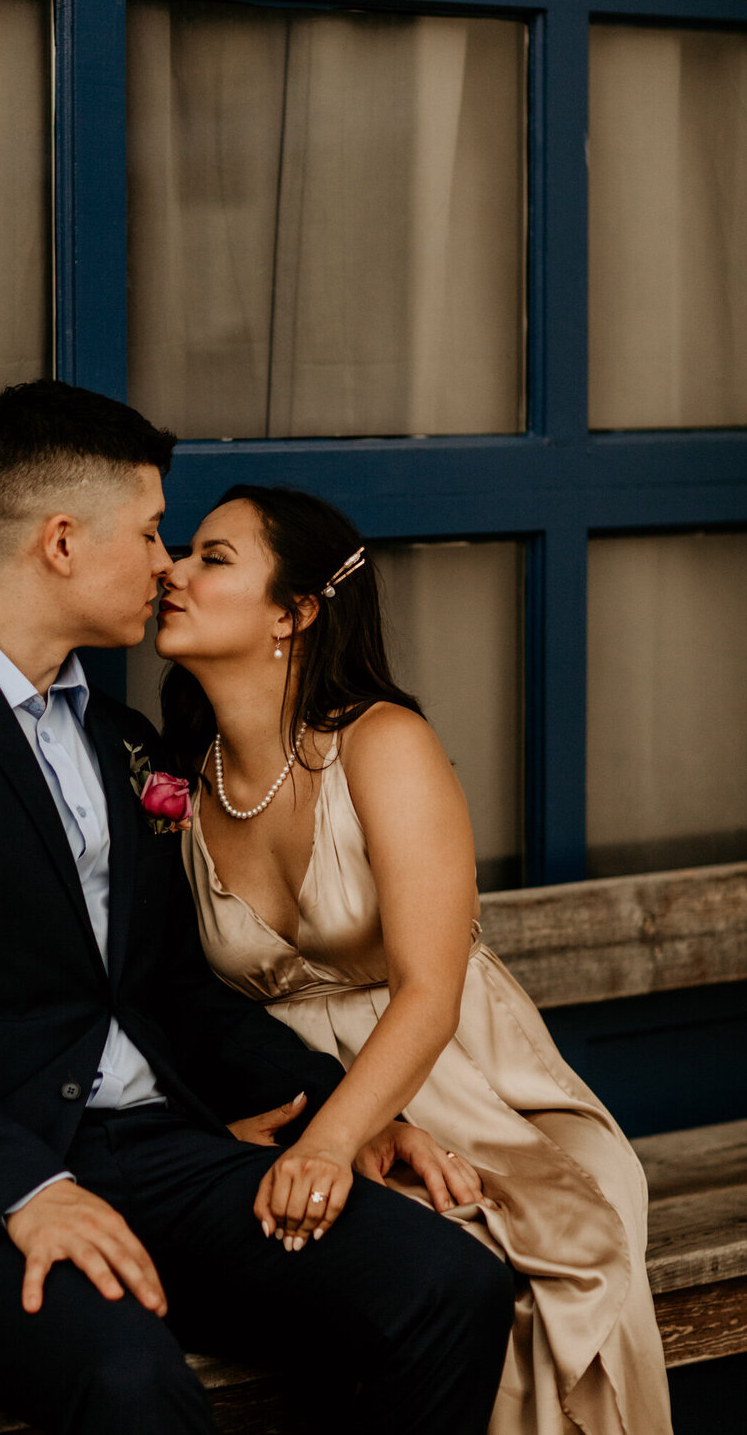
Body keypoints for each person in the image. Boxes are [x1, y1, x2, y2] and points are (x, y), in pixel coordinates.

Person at [0, 382, 515, 1435]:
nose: (167, 564)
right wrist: (29, 1187)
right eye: (155, 532)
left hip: (158, 1155)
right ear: (61, 542)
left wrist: (351, 1115)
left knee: (447, 1284)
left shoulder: (127, 741)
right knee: (130, 1383)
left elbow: (166, 985)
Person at [156, 483, 674, 1435]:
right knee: (394, 1277)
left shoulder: (381, 743)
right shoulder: (182, 783)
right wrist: (301, 1125)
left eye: (210, 557)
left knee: (547, 1259)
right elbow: (171, 994)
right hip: (308, 1093)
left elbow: (432, 993)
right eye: (182, 552)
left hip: (470, 1085)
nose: (170, 572)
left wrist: (331, 1144)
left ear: (296, 611)